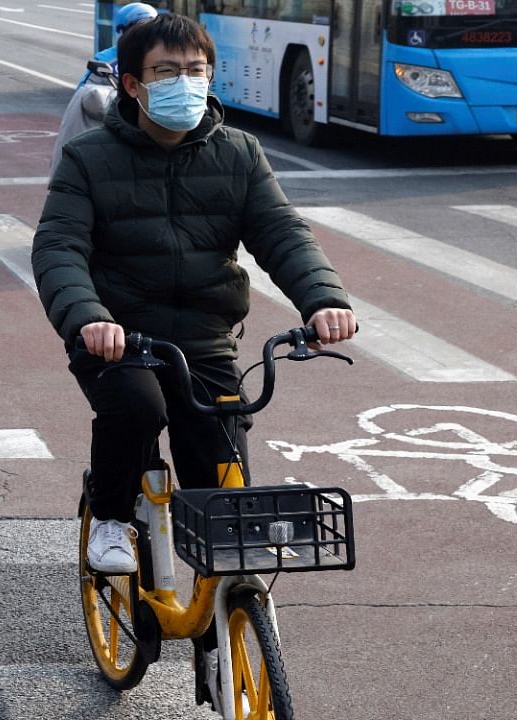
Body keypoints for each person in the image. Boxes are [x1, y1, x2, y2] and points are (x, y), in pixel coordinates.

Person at [33, 13, 356, 577]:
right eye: (166, 71)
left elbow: (281, 233)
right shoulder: (89, 158)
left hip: (206, 335)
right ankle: (110, 515)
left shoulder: (239, 152)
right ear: (132, 84)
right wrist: (88, 317)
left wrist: (324, 299)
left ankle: (223, 627)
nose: (184, 82)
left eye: (195, 70)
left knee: (221, 468)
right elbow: (58, 247)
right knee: (139, 408)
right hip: (119, 337)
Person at [49, 2, 158, 177]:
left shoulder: (156, 58)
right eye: (140, 28)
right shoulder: (108, 60)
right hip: (104, 143)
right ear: (126, 31)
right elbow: (88, 97)